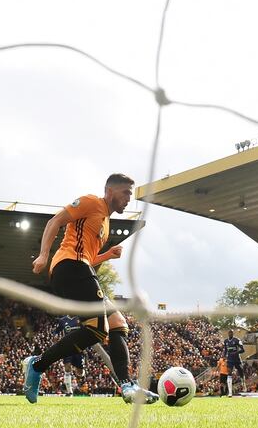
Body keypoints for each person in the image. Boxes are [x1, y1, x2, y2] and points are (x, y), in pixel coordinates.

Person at [23, 173, 158, 404]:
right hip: (68, 266)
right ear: (110, 191)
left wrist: (107, 254)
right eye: (125, 192)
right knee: (98, 329)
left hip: (81, 268)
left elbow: (88, 257)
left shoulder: (105, 223)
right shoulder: (90, 202)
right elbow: (54, 221)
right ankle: (37, 365)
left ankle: (127, 385)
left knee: (117, 324)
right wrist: (44, 255)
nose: (128, 199)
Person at [224, 329, 246, 395]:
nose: (230, 334)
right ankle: (230, 392)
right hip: (230, 360)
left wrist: (236, 352)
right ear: (228, 333)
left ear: (233, 333)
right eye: (229, 332)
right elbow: (225, 350)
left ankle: (243, 384)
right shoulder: (225, 341)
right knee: (229, 373)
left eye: (231, 333)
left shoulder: (237, 340)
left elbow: (243, 350)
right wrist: (224, 356)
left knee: (241, 372)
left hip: (237, 359)